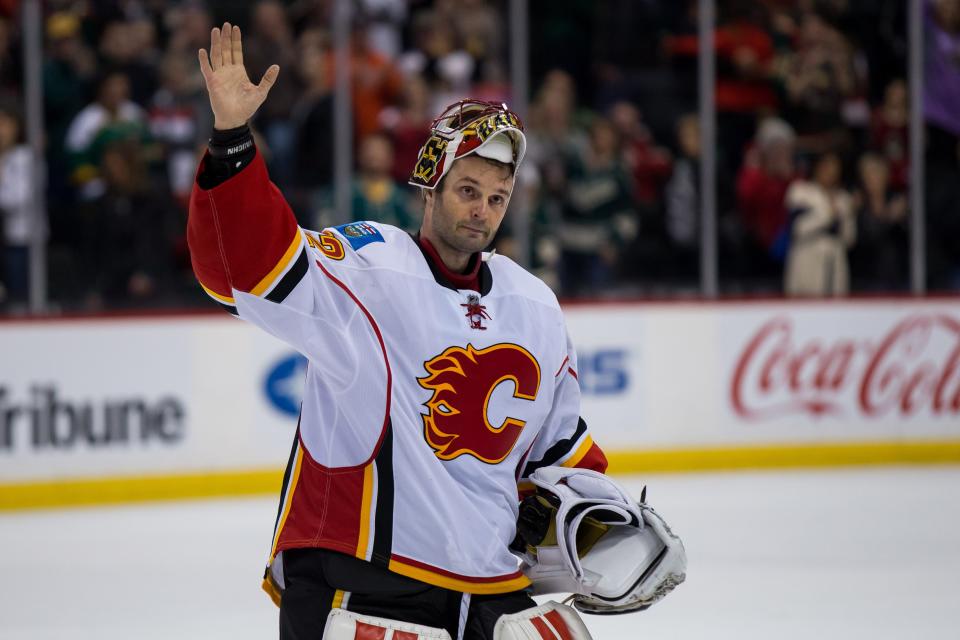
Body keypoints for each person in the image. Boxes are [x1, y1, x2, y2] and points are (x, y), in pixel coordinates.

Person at [188, 24, 681, 640]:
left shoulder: (534, 304)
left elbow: (557, 451)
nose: (482, 211)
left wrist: (600, 518)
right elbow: (249, 270)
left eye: (498, 198)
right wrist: (233, 142)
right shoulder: (368, 267)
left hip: (490, 589)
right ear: (430, 184)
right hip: (365, 577)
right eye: (468, 191)